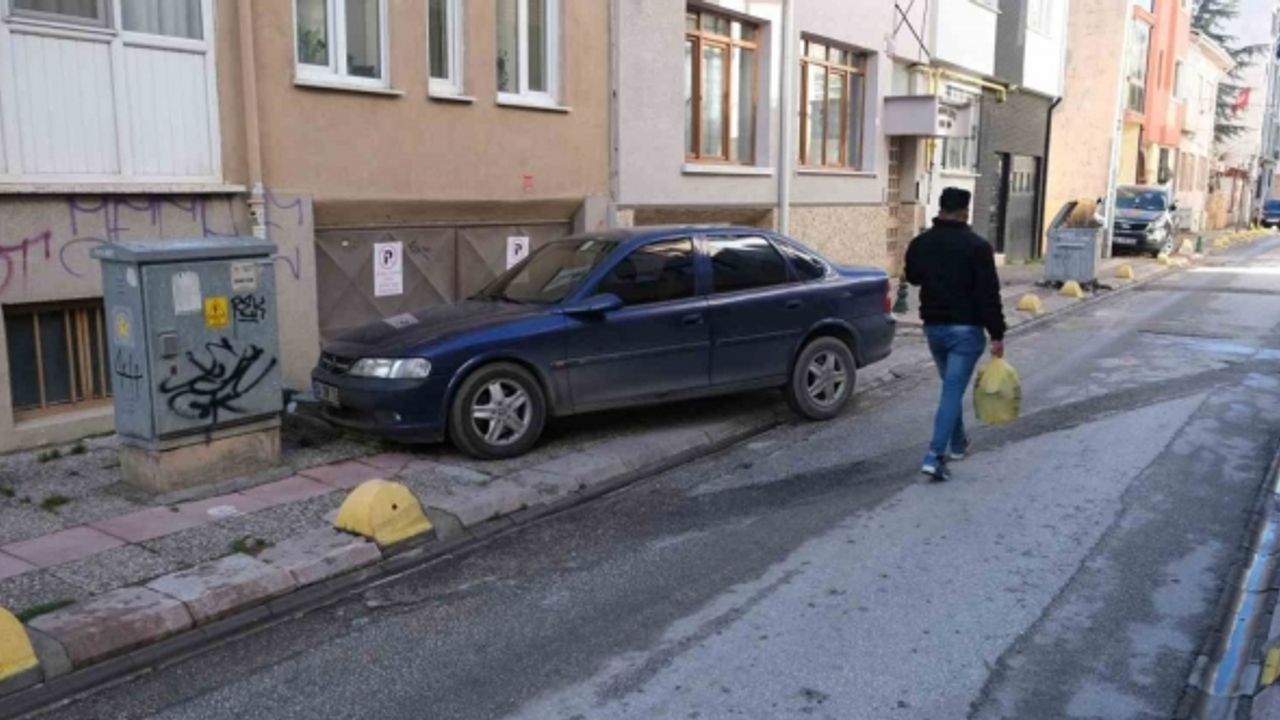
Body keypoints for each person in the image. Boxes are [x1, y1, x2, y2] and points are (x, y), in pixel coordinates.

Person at [904, 187, 1006, 482]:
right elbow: (989, 294)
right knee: (952, 390)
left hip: (934, 329)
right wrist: (997, 334)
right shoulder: (977, 246)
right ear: (965, 211)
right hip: (966, 331)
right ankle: (934, 455)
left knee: (952, 387)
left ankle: (958, 444)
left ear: (940, 208)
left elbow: (912, 277)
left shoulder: (920, 243)